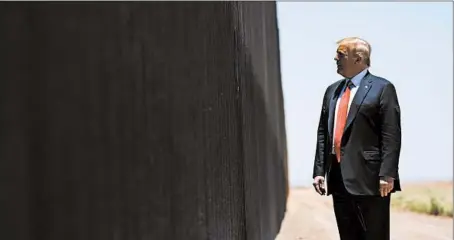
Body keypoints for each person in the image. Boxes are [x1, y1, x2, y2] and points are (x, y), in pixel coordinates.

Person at [312, 37, 402, 240]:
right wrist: (319, 170)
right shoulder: (332, 91)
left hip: (371, 180)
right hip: (337, 177)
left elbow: (391, 134)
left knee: (374, 236)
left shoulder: (382, 88)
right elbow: (322, 133)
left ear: (358, 58)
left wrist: (387, 173)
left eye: (341, 54)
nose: (335, 58)